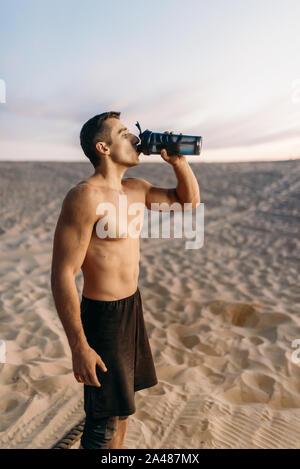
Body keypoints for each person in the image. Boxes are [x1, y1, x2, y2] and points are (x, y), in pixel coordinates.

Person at [50, 111, 200, 449]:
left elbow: (188, 203)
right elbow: (62, 273)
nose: (136, 139)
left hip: (132, 308)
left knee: (123, 410)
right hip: (103, 318)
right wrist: (79, 346)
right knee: (102, 424)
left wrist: (178, 162)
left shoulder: (136, 189)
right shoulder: (84, 196)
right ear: (103, 147)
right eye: (123, 133)